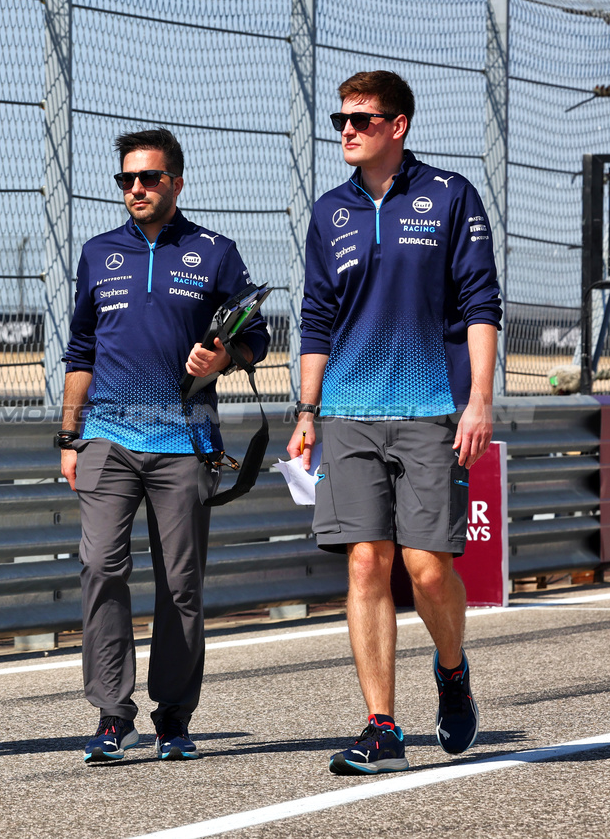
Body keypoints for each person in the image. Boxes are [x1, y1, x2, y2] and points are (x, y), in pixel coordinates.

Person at [289, 71, 501, 775]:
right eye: (339, 119)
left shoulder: (448, 196)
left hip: (431, 408)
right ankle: (380, 725)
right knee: (364, 561)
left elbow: (479, 305)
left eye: (361, 119)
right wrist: (307, 411)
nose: (345, 130)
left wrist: (477, 402)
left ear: (397, 125)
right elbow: (316, 317)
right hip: (347, 412)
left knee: (427, 569)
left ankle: (450, 671)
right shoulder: (328, 213)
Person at [60, 128, 269, 764]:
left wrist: (223, 355)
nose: (136, 190)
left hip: (184, 440)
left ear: (176, 181)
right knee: (101, 567)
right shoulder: (98, 254)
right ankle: (112, 714)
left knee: (181, 582)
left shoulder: (215, 252)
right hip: (107, 437)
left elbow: (255, 339)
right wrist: (69, 437)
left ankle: (174, 715)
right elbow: (80, 352)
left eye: (148, 179)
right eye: (126, 180)